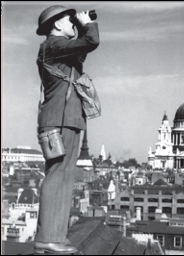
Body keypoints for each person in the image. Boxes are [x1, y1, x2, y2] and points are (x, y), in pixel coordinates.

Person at [34, 5, 99, 254]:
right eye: (68, 20)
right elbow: (91, 41)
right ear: (57, 24)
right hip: (59, 120)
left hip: (69, 120)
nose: (73, 22)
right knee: (56, 177)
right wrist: (86, 24)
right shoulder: (52, 45)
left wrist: (80, 27)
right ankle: (47, 238)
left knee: (64, 179)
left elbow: (82, 51)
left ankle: (56, 238)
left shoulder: (61, 51)